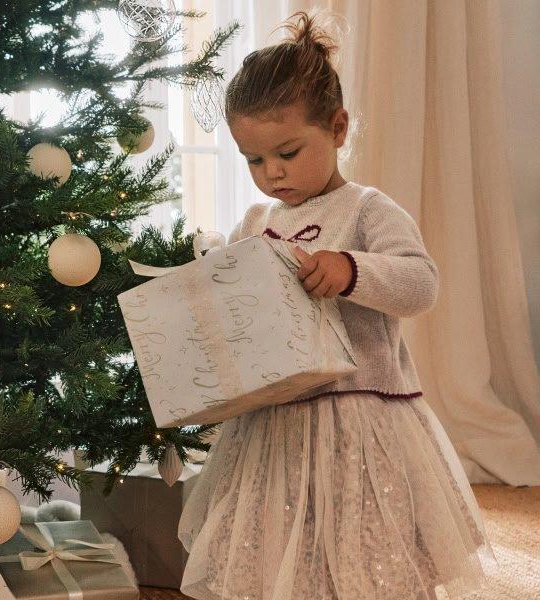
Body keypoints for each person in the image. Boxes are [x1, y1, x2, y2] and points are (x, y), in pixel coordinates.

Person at [177, 9, 497, 600]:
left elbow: (420, 283)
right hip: (273, 418)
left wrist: (350, 269)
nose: (272, 174)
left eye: (289, 153)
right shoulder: (257, 222)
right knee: (276, 538)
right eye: (253, 160)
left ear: (339, 128)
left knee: (363, 537)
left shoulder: (368, 209)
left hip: (359, 412)